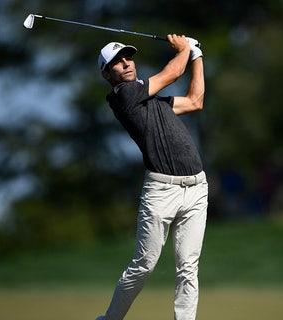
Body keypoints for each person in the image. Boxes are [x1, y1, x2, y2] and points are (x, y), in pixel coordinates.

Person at [95, 34, 207, 320]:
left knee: (188, 267)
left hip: (197, 188)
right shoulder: (124, 96)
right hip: (161, 191)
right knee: (144, 263)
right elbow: (172, 72)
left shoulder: (152, 101)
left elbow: (195, 102)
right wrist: (184, 49)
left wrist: (197, 56)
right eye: (117, 63)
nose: (126, 64)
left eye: (128, 58)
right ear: (107, 74)